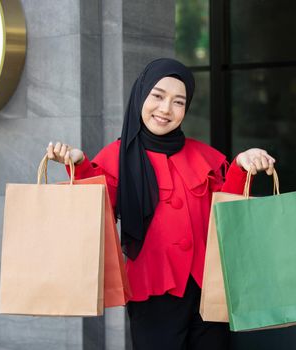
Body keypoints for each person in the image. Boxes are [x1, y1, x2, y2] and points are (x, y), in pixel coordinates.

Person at [47, 58, 275, 350]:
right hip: (153, 292)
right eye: (157, 96)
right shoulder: (116, 156)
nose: (166, 109)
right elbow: (100, 204)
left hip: (210, 291)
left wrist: (243, 166)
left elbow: (228, 212)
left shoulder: (205, 156)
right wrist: (78, 165)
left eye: (178, 101)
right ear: (141, 95)